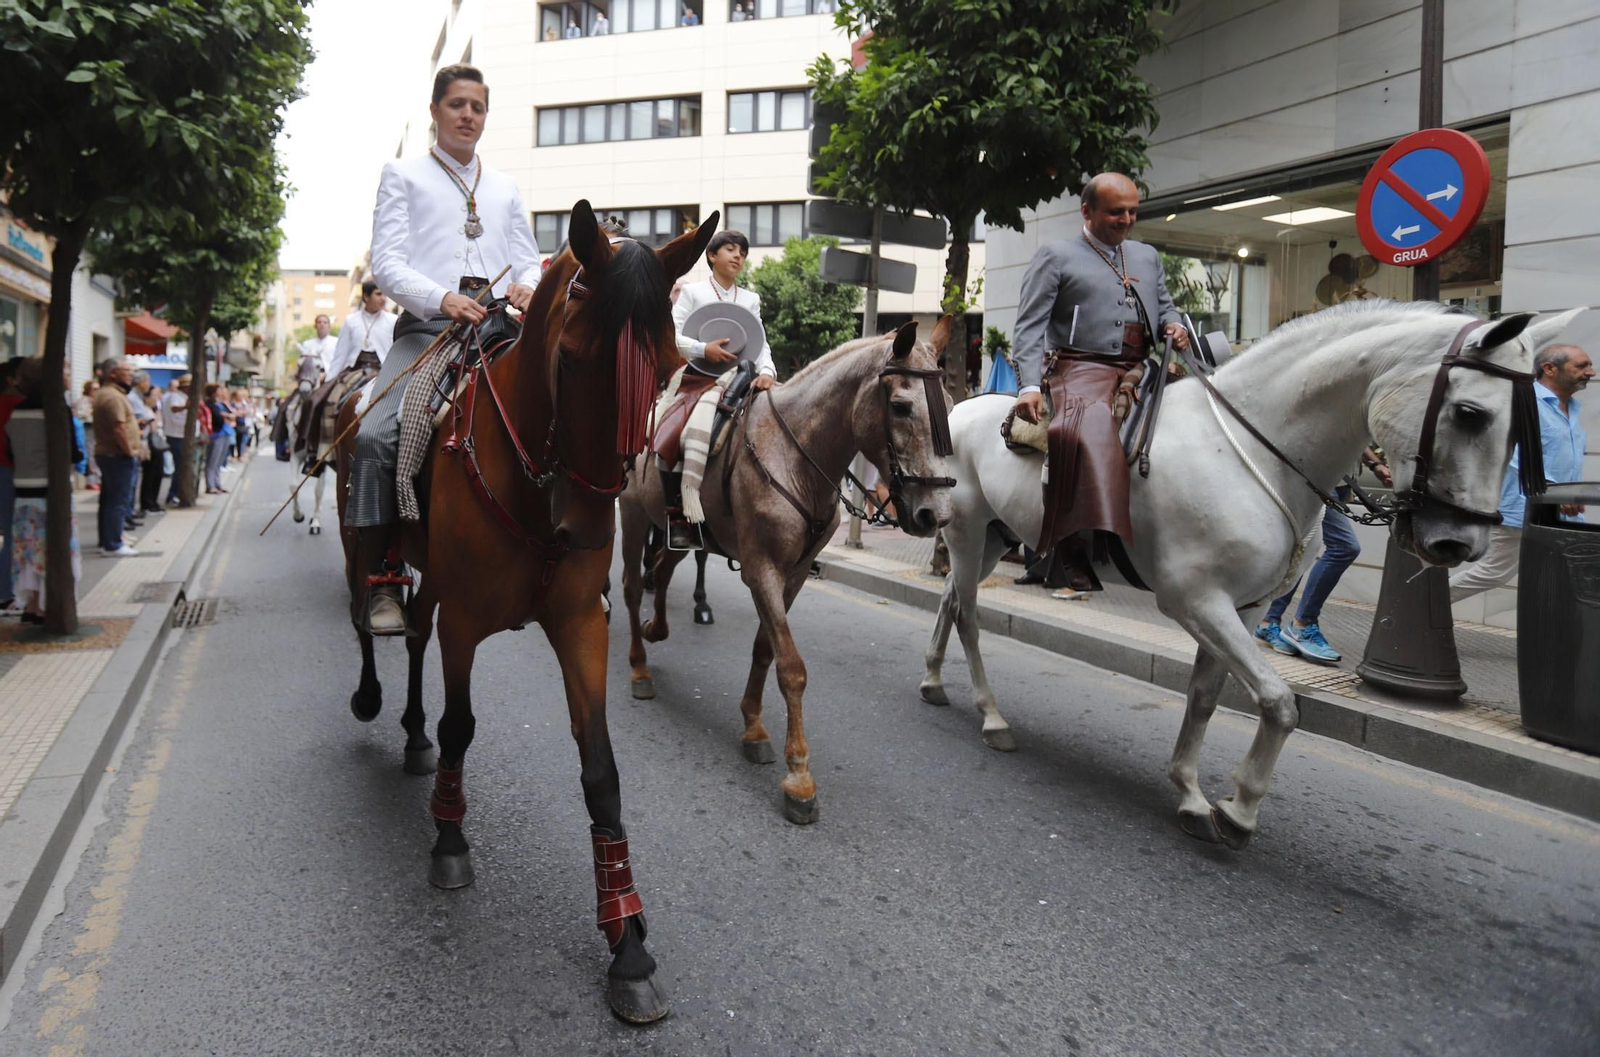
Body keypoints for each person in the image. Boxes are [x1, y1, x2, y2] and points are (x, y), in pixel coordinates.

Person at [358, 63, 541, 634]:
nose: (468, 115)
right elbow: (385, 265)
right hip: (428, 333)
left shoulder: (505, 186)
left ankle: (567, 561)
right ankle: (384, 577)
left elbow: (528, 256)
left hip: (498, 329)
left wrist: (527, 286)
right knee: (372, 435)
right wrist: (440, 299)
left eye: (478, 107)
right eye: (457, 105)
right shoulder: (403, 174)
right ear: (435, 110)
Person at [1010, 172, 1189, 594]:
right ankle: (1070, 547)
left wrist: (1175, 326)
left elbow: (1166, 306)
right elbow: (1029, 327)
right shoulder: (1055, 256)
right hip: (1079, 365)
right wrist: (1029, 386)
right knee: (1084, 431)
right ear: (1087, 212)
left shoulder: (1146, 255)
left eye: (1132, 211)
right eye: (1115, 212)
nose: (1126, 219)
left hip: (1139, 365)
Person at [1449, 343, 1593, 604]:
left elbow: (1565, 461)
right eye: (1582, 365)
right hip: (1522, 511)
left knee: (1570, 577)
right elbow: (1513, 453)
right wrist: (1555, 493)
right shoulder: (1524, 401)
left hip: (1562, 514)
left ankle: (1560, 637)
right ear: (1549, 368)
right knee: (1491, 574)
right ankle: (1416, 606)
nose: (1591, 372)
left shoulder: (1572, 408)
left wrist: (1572, 494)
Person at [664, 228, 776, 549]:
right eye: (730, 249)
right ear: (712, 256)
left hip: (743, 378)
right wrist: (703, 349)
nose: (738, 256)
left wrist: (767, 371)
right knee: (672, 433)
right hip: (698, 378)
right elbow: (671, 337)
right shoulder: (692, 292)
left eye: (742, 251)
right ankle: (679, 516)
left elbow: (761, 343)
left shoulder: (750, 298)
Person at [1254, 447, 1392, 663]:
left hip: (1343, 482)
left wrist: (1375, 464)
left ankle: (1267, 622)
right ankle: (1302, 625)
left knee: (1306, 550)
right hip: (1320, 480)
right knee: (1344, 548)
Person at [6, 358, 82, 623]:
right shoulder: (57, 410)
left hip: (23, 489)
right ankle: (46, 606)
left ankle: (31, 605)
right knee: (54, 547)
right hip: (52, 491)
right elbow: (72, 452)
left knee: (28, 549)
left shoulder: (16, 411)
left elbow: (10, 452)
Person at [301, 280, 395, 468]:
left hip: (384, 370)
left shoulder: (392, 320)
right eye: (378, 294)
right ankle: (322, 454)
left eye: (384, 294)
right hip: (355, 370)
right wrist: (328, 383)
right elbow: (340, 355)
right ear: (366, 297)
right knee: (327, 402)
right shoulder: (351, 321)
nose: (383, 299)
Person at [91, 358, 141, 555]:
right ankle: (113, 544)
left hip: (111, 455)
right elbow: (118, 428)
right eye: (126, 370)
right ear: (112, 373)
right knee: (118, 500)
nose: (130, 374)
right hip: (116, 455)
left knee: (110, 499)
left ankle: (110, 538)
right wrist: (129, 451)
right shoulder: (112, 397)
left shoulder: (112, 394)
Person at [0, 359, 20, 609]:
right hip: (11, 471)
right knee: (15, 532)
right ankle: (7, 591)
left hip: (8, 470)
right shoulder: (15, 405)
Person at [159, 374, 191, 503]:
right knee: (179, 467)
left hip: (181, 435)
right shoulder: (175, 397)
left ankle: (176, 492)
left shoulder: (183, 397)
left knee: (181, 467)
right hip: (176, 435)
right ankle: (173, 494)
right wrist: (186, 406)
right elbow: (174, 409)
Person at [139, 385, 168, 514]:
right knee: (150, 475)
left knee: (158, 474)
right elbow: (152, 428)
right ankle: (147, 503)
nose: (156, 399)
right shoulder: (146, 411)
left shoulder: (151, 410)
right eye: (154, 396)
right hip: (150, 445)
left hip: (157, 445)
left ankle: (153, 502)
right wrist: (156, 417)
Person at [201, 382, 234, 494]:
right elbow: (218, 416)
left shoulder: (219, 403)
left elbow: (230, 414)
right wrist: (225, 416)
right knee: (212, 461)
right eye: (219, 390)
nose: (221, 392)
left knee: (218, 462)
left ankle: (217, 484)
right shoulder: (209, 404)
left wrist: (226, 416)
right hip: (216, 435)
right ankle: (210, 486)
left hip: (224, 433)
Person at [73, 379, 100, 489]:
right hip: (87, 428)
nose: (96, 391)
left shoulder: (98, 400)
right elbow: (80, 414)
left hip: (97, 429)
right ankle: (91, 480)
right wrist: (90, 412)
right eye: (94, 389)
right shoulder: (84, 401)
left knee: (95, 453)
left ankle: (97, 478)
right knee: (90, 453)